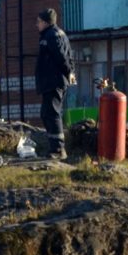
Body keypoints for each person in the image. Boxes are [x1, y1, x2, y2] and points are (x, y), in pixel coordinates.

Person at [34, 8, 76, 158]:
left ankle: (58, 150)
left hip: (54, 81)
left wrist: (69, 72)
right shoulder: (54, 34)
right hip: (51, 81)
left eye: (39, 21)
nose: (36, 25)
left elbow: (62, 57)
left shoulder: (52, 35)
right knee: (46, 113)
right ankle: (54, 148)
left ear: (46, 22)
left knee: (52, 114)